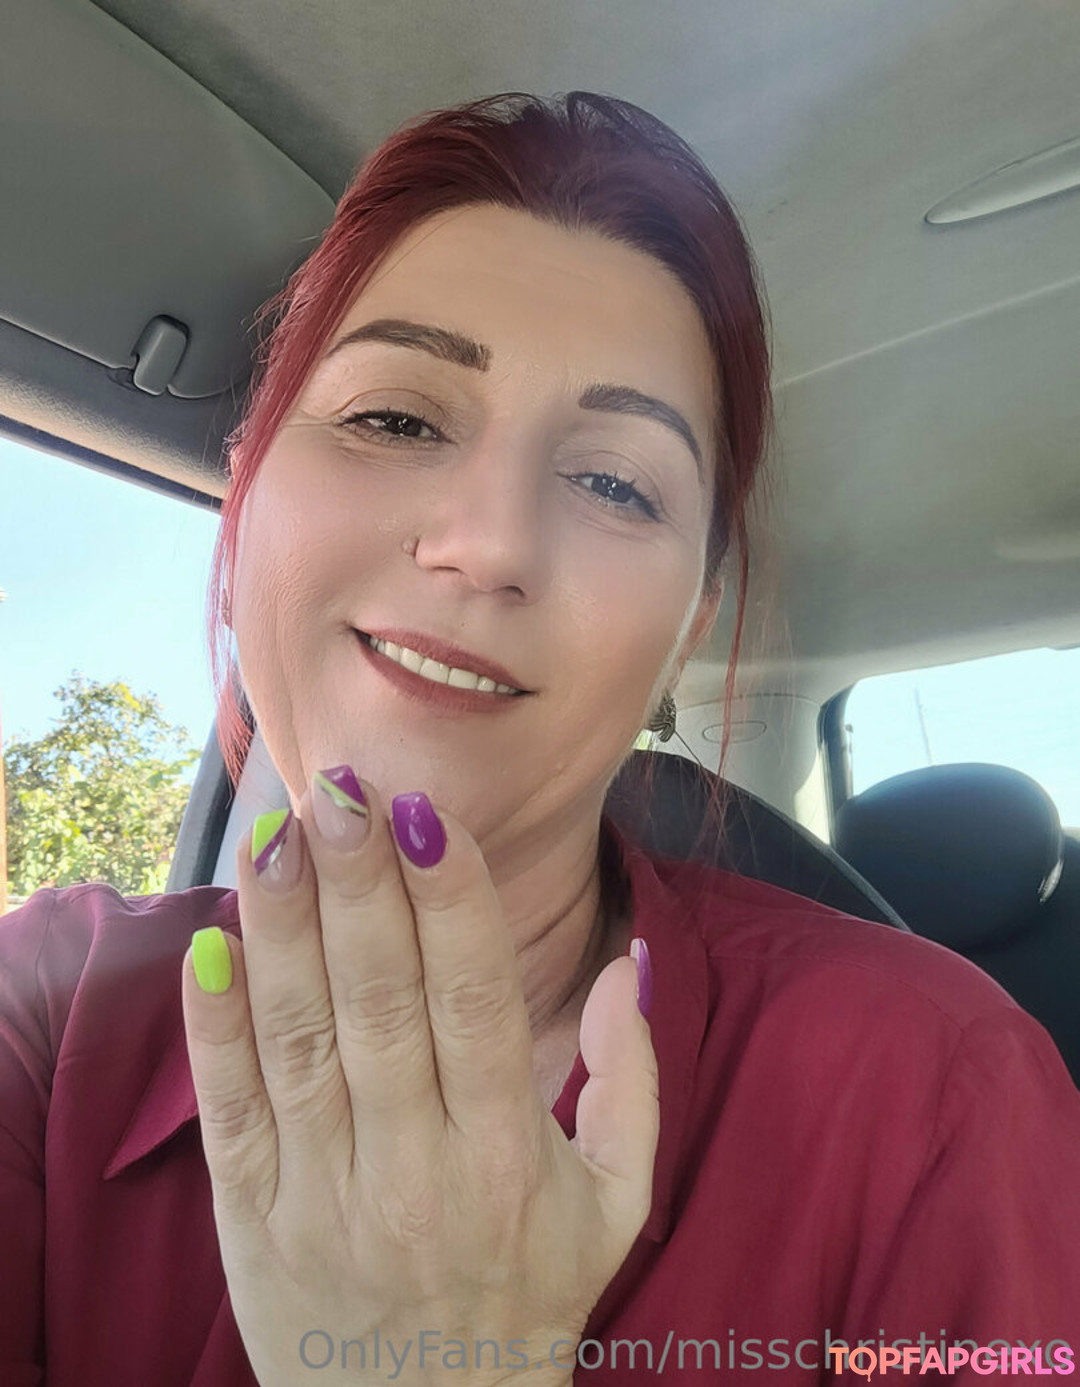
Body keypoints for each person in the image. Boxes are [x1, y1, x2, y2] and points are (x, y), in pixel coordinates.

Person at [2, 91, 1079, 1387]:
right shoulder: (44, 1016)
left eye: (615, 483)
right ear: (242, 497)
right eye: (395, 418)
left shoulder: (936, 1089)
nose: (493, 543)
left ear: (687, 631)